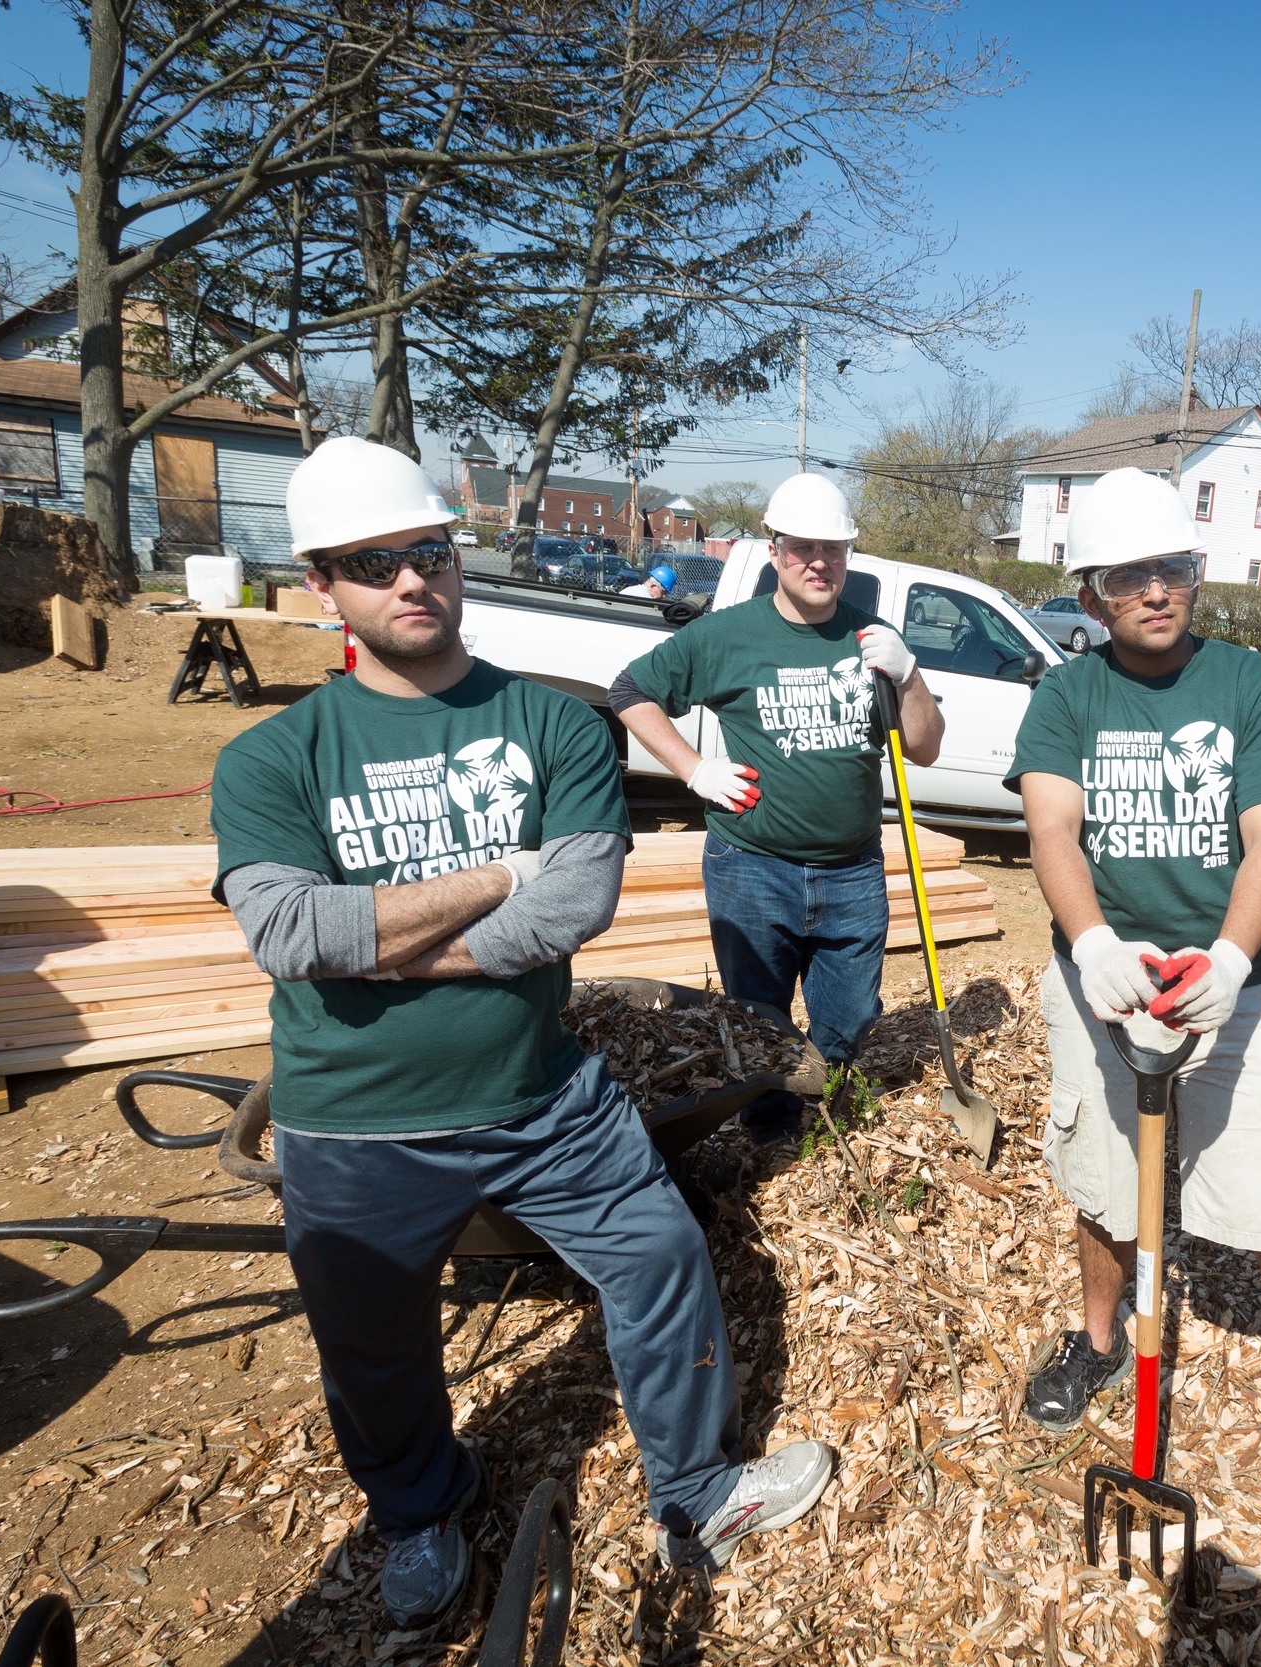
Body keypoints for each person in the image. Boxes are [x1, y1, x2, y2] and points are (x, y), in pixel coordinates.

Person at [210, 437, 833, 1618]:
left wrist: (381, 941)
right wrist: (498, 871)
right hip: (353, 1116)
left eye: (428, 552)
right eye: (371, 561)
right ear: (320, 586)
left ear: (457, 559)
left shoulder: (553, 725)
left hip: (546, 1093)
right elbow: (289, 933)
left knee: (661, 1259)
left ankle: (695, 1486)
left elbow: (571, 910)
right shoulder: (272, 755)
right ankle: (417, 1513)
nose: (410, 579)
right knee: (375, 1346)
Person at [1007, 467, 1261, 1442]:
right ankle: (1098, 1337)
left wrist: (1232, 963)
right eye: (1126, 574)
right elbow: (1052, 832)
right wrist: (1094, 943)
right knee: (1108, 1180)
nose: (1154, 589)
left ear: (1193, 574)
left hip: (1233, 986)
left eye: (1172, 566)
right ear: (1089, 594)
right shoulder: (1065, 694)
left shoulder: (1250, 681)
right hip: (1100, 984)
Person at [611, 472, 942, 1139]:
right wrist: (694, 768)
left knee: (849, 1017)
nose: (819, 561)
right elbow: (629, 691)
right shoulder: (727, 635)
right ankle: (770, 1134)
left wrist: (909, 675)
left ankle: (830, 1125)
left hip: (851, 871)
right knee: (758, 1016)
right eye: (802, 547)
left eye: (834, 547)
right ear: (774, 550)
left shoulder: (871, 637)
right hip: (752, 866)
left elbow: (927, 749)